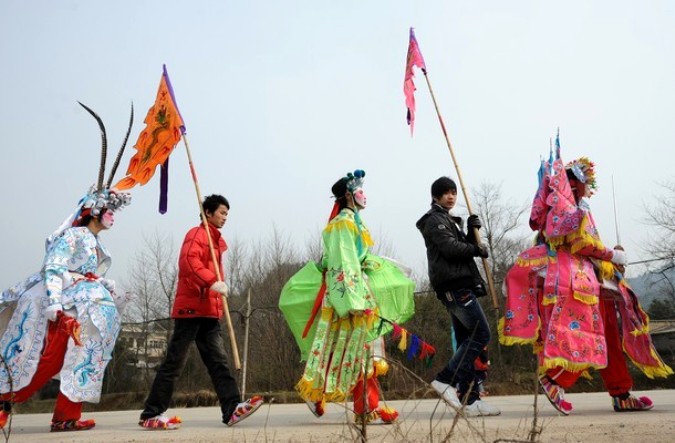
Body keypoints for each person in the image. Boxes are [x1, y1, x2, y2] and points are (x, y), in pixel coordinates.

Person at [500, 150, 673, 415]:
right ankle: (556, 380)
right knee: (588, 335)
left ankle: (621, 393)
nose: (591, 189)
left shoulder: (564, 206)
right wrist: (612, 254)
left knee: (607, 335)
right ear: (577, 183)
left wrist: (610, 261)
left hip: (589, 281)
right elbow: (582, 243)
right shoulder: (570, 207)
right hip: (575, 283)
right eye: (589, 183)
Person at [0, 103, 134, 432]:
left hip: (81, 309)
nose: (113, 216)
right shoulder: (73, 236)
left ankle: (66, 415)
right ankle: (3, 403)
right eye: (109, 210)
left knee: (82, 355)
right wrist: (56, 305)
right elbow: (54, 268)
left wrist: (105, 287)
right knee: (39, 358)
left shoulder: (96, 244)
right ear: (94, 211)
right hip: (56, 309)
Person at [280, 170, 415, 424]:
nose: (365, 196)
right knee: (351, 350)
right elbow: (344, 260)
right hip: (349, 295)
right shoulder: (344, 222)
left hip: (356, 289)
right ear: (349, 196)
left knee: (354, 350)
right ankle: (352, 404)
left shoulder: (353, 220)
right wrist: (354, 301)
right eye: (360, 191)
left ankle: (359, 405)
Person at [139, 194, 263, 430]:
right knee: (174, 363)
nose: (225, 217)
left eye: (227, 214)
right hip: (191, 310)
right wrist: (211, 282)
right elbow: (188, 262)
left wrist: (216, 290)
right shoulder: (197, 235)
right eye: (222, 213)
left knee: (219, 362)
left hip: (208, 311)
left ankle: (231, 409)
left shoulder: (215, 241)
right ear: (208, 212)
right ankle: (151, 413)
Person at [416, 176, 501, 416]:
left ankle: (470, 399)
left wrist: (474, 230)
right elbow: (452, 249)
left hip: (461, 284)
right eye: (446, 193)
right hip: (454, 286)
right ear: (435, 196)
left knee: (467, 340)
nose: (451, 196)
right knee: (481, 333)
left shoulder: (450, 220)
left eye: (454, 192)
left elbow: (463, 245)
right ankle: (445, 380)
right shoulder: (435, 220)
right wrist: (476, 249)